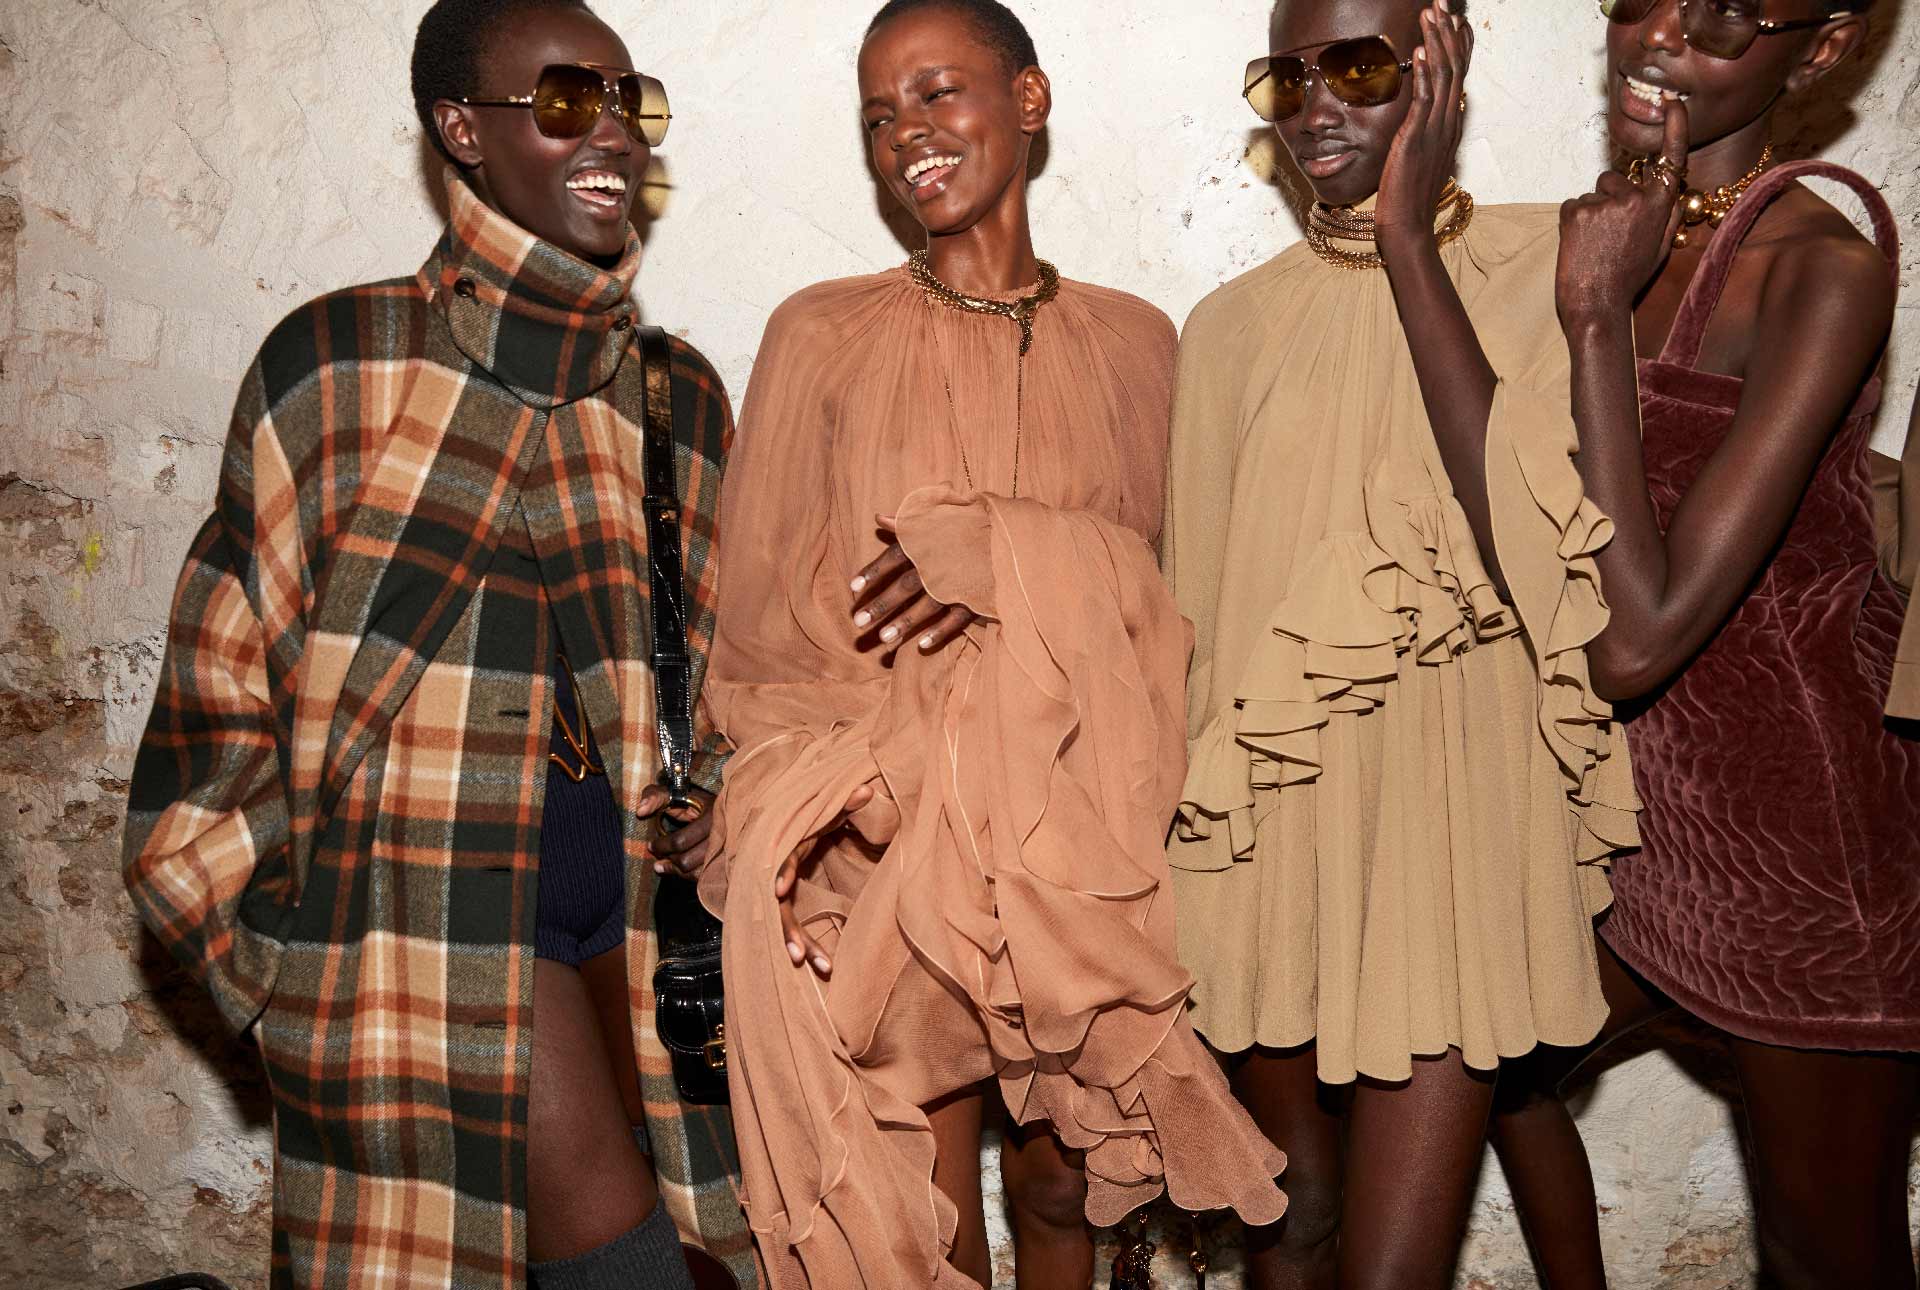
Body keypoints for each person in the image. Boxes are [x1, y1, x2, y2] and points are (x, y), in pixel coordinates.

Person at [121, 2, 752, 1286]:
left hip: (646, 921)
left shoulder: (675, 391)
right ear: (461, 129)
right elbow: (217, 691)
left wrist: (728, 796)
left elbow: (721, 663)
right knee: (632, 1268)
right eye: (566, 102)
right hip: (427, 920)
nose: (613, 135)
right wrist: (283, 972)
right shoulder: (339, 362)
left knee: (706, 1251)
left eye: (629, 102)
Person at [697, 1, 1288, 1286]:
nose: (906, 133)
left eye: (936, 91)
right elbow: (762, 630)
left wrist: (1008, 550)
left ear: (1028, 99)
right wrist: (775, 841)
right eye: (879, 115)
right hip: (887, 837)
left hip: (1084, 832)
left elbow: (1169, 607)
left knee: (1066, 1183)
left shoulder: (1139, 344)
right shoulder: (821, 334)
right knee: (923, 1200)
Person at [1163, 1, 1642, 1286]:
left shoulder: (1557, 271)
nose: (1317, 103)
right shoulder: (1227, 329)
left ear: (1442, 75)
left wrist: (1407, 232)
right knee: (1291, 1228)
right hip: (1277, 836)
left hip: (1456, 839)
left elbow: (1539, 557)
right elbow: (1196, 624)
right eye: (1288, 77)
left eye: (1361, 68)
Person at [1485, 3, 1917, 1288]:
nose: (1660, 38)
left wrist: (1593, 319)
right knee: (1464, 1059)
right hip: (1625, 816)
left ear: (1821, 49)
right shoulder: (1607, 227)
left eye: (1723, 17)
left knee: (1822, 1254)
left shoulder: (1821, 269)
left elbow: (1635, 643)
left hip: (1796, 844)